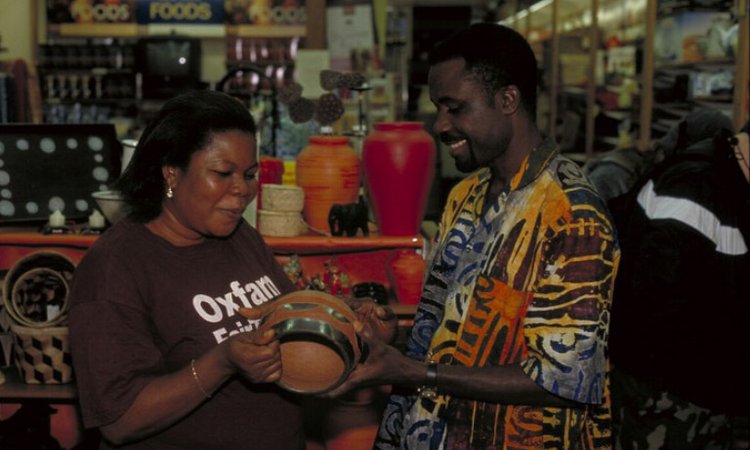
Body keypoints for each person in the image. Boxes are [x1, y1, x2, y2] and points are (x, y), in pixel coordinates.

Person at [326, 23, 620, 449]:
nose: (441, 125)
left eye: (455, 108)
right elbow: (454, 333)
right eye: (437, 108)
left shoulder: (572, 214)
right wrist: (399, 339)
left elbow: (563, 378)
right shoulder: (466, 195)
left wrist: (410, 372)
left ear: (508, 100)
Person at [68, 90, 305, 449]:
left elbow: (288, 323)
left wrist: (345, 327)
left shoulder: (240, 236)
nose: (242, 190)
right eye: (223, 173)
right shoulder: (115, 269)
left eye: (250, 174)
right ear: (171, 173)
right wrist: (223, 361)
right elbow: (117, 420)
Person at [609, 115, 749, 449]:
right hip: (666, 406)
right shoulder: (690, 189)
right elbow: (652, 319)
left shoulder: (732, 184)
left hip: (708, 401)